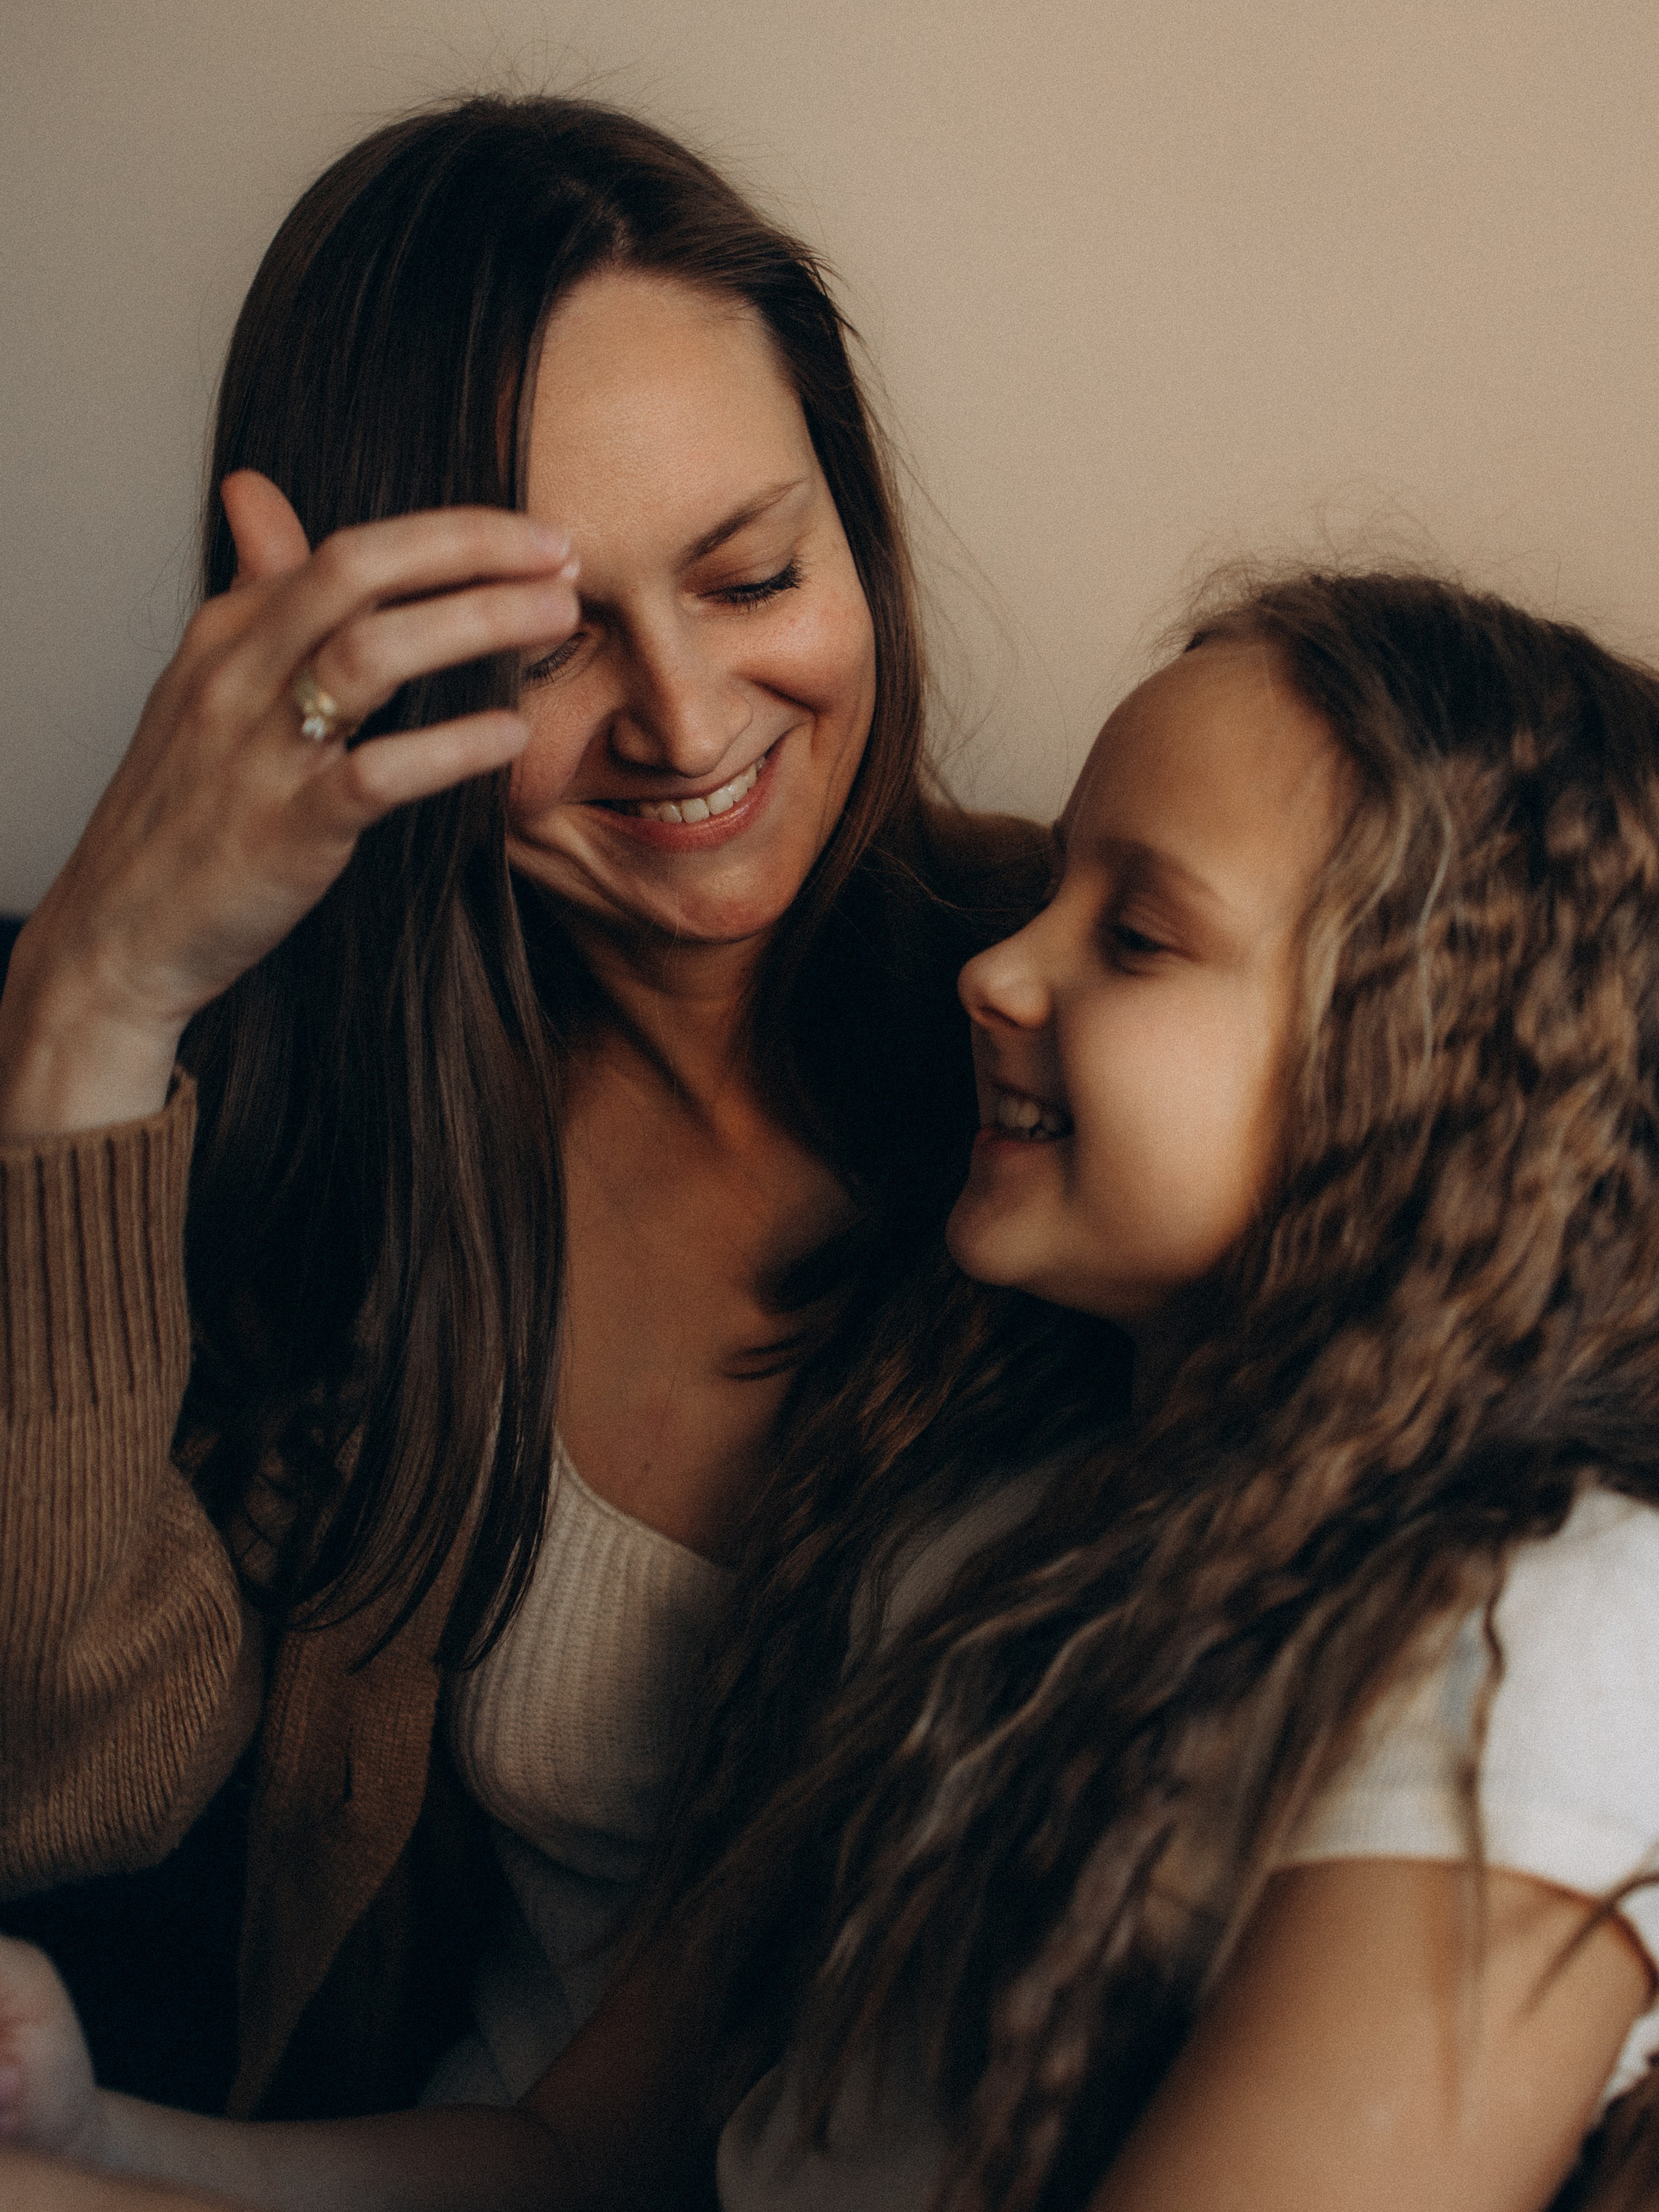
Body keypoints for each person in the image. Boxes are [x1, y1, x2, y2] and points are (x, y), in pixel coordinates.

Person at [9, 568, 1659, 2211]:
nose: (996, 972)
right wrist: (95, 2142)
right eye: (1051, 893)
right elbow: (583, 2157)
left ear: (1425, 1066)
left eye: (1135, 936)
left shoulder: (1541, 1645)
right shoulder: (969, 1517)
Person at [0, 92, 1065, 2123]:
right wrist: (91, 999)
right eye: (559, 641)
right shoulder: (340, 1146)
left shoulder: (1088, 1006)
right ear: (376, 670)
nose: (681, 721)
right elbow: (70, 1783)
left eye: (752, 574)